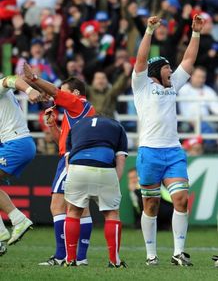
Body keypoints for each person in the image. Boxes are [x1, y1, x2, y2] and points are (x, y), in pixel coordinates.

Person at [132, 14, 204, 266]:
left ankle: (178, 253)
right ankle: (151, 255)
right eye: (166, 68)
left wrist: (195, 33)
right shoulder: (141, 85)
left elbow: (189, 60)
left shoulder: (172, 85)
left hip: (173, 151)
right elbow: (140, 59)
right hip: (149, 152)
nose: (171, 71)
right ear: (155, 71)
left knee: (181, 200)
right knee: (150, 205)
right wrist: (149, 31)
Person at [23, 63, 95, 266]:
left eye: (64, 93)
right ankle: (80, 258)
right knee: (82, 208)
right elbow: (61, 143)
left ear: (75, 92)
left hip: (72, 160)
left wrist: (34, 80)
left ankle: (61, 255)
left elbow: (53, 91)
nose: (58, 98)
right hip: (78, 157)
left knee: (57, 205)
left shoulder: (78, 103)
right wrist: (52, 125)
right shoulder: (76, 112)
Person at [64, 115, 128, 267]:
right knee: (112, 213)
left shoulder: (76, 126)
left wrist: (71, 177)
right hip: (104, 167)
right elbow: (121, 159)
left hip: (76, 167)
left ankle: (70, 259)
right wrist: (114, 181)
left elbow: (68, 158)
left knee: (73, 211)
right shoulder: (117, 126)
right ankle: (114, 261)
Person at [0, 74, 41, 256]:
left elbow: (11, 79)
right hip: (18, 143)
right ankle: (2, 233)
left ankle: (18, 220)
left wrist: (30, 90)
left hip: (16, 144)